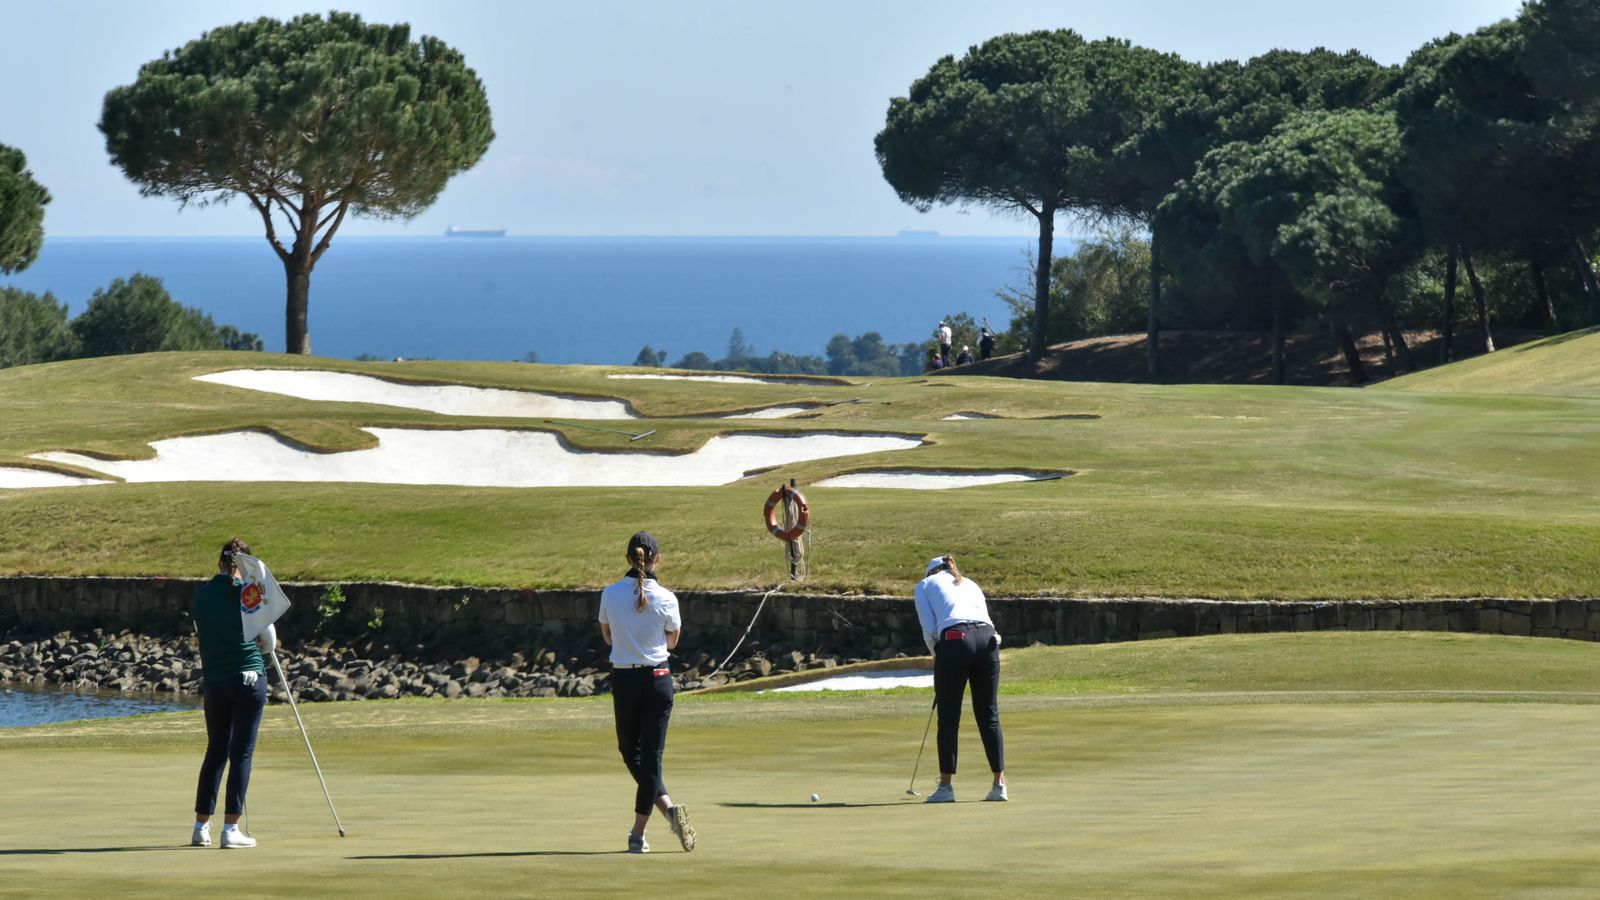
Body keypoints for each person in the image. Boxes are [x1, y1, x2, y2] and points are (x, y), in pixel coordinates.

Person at [599, 531, 696, 853]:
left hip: (626, 680)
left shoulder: (610, 594)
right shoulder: (667, 597)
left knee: (633, 754)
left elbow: (608, 638)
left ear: (628, 558)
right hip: (658, 679)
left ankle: (638, 833)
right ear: (658, 559)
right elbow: (672, 641)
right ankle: (666, 814)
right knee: (649, 758)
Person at [191, 538, 275, 849]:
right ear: (245, 565)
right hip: (249, 678)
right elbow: (269, 640)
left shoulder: (201, 596)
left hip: (215, 681)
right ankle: (230, 830)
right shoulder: (249, 593)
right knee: (241, 753)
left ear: (220, 562)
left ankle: (201, 827)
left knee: (216, 751)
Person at [913, 555, 1006, 803]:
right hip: (988, 641)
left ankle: (945, 787)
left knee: (949, 716)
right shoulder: (970, 582)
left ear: (931, 572)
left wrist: (939, 660)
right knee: (989, 713)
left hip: (955, 640)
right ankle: (999, 785)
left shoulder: (924, 585)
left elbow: (929, 630)